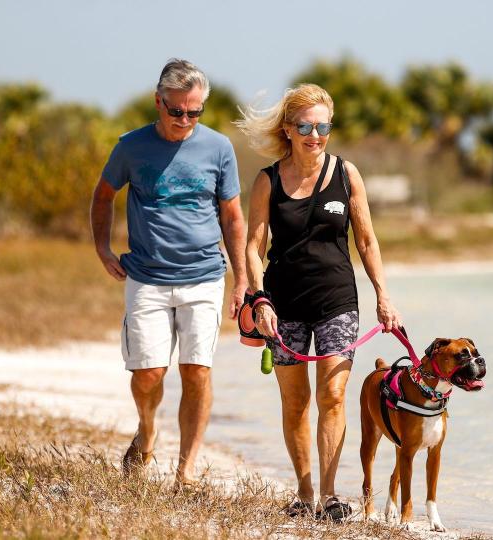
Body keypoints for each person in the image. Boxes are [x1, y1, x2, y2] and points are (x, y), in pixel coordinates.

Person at [236, 84, 402, 520]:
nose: (315, 134)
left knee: (333, 393)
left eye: (322, 126)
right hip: (282, 304)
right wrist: (259, 299)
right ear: (288, 129)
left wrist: (383, 296)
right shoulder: (267, 180)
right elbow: (253, 246)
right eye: (305, 126)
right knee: (295, 402)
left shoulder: (347, 174)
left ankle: (329, 495)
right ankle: (304, 492)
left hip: (338, 301)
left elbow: (366, 240)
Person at [90, 59, 247, 486]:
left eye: (193, 112)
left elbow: (233, 217)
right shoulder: (131, 146)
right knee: (148, 375)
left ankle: (186, 469)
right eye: (176, 110)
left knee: (197, 370)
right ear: (158, 102)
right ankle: (147, 430)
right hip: (146, 277)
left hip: (204, 277)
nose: (184, 120)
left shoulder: (219, 149)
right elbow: (103, 196)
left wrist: (244, 280)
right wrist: (103, 248)